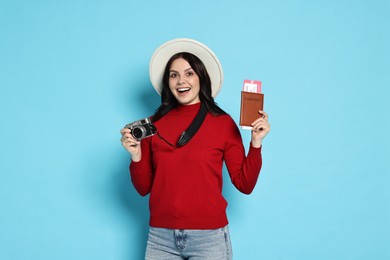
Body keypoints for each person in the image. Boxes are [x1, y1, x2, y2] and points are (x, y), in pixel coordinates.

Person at [120, 38, 270, 260]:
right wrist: (136, 156)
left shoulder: (222, 123)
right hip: (161, 237)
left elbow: (244, 184)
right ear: (167, 82)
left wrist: (255, 144)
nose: (181, 81)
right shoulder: (153, 124)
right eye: (174, 75)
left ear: (202, 77)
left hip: (209, 238)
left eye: (189, 73)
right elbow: (144, 188)